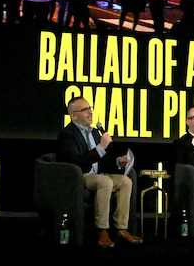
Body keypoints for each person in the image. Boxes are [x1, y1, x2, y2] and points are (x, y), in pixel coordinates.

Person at [57, 96, 142, 247]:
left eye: (90, 108)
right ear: (73, 115)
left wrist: (118, 161)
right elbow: (77, 162)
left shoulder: (96, 133)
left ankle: (121, 228)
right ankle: (102, 230)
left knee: (126, 181)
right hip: (80, 175)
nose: (90, 112)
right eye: (85, 110)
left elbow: (104, 159)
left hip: (98, 175)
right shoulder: (67, 134)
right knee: (105, 181)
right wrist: (100, 148)